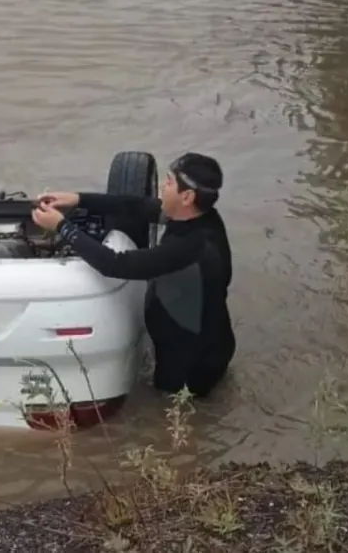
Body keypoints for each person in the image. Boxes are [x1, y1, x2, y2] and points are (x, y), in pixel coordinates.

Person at [31, 152, 235, 398]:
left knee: (173, 419)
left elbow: (115, 264)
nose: (161, 186)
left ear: (187, 196)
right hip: (206, 339)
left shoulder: (191, 248)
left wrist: (63, 227)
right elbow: (137, 206)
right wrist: (78, 199)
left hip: (190, 366)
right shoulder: (199, 218)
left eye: (168, 182)